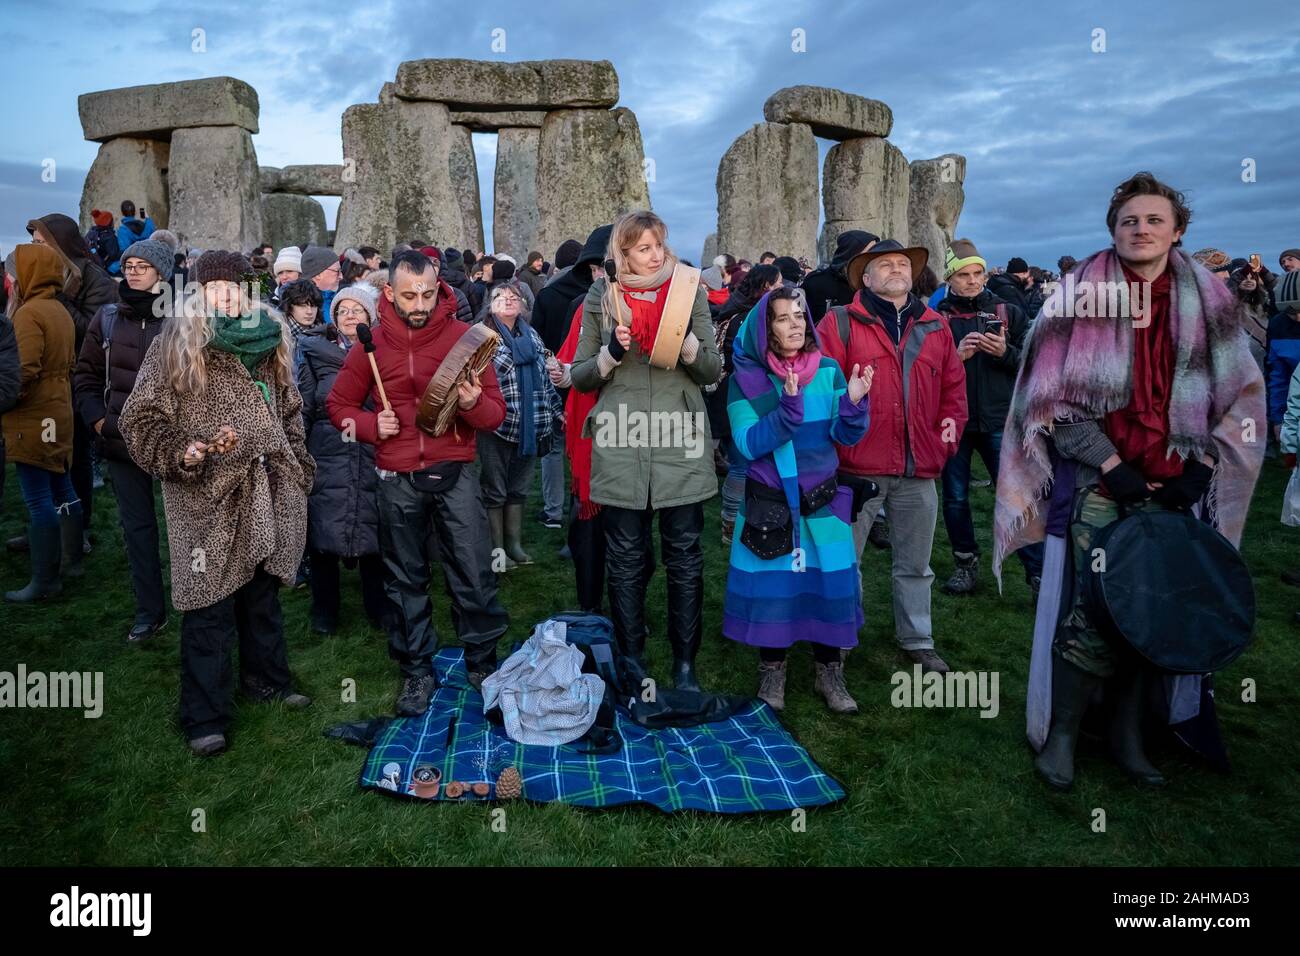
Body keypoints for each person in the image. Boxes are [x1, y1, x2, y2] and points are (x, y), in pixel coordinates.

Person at [996, 171, 1265, 791]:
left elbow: (1239, 392)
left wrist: (1199, 467)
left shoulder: (1210, 300)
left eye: (1153, 220)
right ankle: (1064, 733)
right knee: (1095, 605)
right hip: (1099, 480)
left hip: (1177, 478)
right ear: (1112, 230)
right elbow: (1050, 400)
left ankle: (1129, 734)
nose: (1140, 230)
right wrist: (1112, 468)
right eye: (1128, 221)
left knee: (1155, 606)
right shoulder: (1074, 296)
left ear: (1177, 231)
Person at [118, 250, 314, 757]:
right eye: (214, 287)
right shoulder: (174, 348)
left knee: (262, 594)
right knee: (207, 604)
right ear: (198, 291)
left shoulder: (270, 340)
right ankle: (205, 715)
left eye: (233, 286)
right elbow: (138, 420)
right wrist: (182, 451)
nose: (224, 295)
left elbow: (291, 410)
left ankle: (267, 680)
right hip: (205, 496)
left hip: (268, 487)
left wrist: (297, 463)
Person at [327, 249, 510, 714]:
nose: (421, 303)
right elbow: (337, 408)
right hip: (397, 475)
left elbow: (495, 416)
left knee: (473, 570)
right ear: (389, 292)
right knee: (405, 578)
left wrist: (470, 404)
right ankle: (416, 671)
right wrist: (370, 427)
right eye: (410, 295)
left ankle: (483, 662)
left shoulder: (464, 339)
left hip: (455, 470)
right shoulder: (369, 346)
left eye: (428, 293)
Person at [569, 210, 721, 692]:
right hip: (620, 435)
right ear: (623, 252)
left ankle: (684, 665)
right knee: (627, 555)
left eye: (659, 244)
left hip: (679, 436)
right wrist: (611, 353)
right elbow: (578, 375)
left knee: (684, 554)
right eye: (642, 247)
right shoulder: (602, 294)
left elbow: (713, 371)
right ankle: (632, 659)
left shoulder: (688, 289)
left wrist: (691, 346)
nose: (654, 254)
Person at [816, 239, 968, 675]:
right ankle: (842, 636)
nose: (897, 269)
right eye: (885, 264)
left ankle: (917, 639)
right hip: (856, 467)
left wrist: (945, 442)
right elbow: (825, 386)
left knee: (916, 564)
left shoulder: (935, 325)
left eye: (903, 263)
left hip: (919, 466)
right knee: (847, 560)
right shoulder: (840, 323)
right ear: (865, 278)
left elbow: (953, 393)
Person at [724, 288, 872, 712]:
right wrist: (788, 408)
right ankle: (773, 672)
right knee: (776, 592)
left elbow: (845, 437)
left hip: (823, 504)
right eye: (783, 318)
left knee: (828, 587)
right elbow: (749, 444)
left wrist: (855, 404)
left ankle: (830, 674)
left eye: (799, 316)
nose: (795, 325)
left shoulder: (828, 371)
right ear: (764, 328)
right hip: (771, 507)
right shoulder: (745, 380)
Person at [73, 239, 176, 640]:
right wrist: (99, 422)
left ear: (161, 274)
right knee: (138, 528)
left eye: (142, 265)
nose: (132, 270)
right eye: (128, 264)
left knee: (185, 527)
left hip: (172, 442)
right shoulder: (108, 318)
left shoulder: (183, 321)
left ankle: (200, 601)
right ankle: (149, 612)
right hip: (120, 439)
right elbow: (85, 376)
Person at [933, 239, 1042, 596]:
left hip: (1000, 419)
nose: (973, 280)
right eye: (963, 274)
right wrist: (954, 358)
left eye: (978, 272)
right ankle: (966, 562)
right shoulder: (936, 319)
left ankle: (1037, 571)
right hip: (955, 421)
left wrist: (1006, 353)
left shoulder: (1009, 310)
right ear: (950, 277)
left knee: (1016, 497)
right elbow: (923, 372)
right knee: (955, 496)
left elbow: (1038, 364)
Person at [23, 214, 119, 555]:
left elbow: (93, 332)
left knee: (74, 457)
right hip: (44, 379)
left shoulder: (95, 279)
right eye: (34, 244)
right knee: (41, 453)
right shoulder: (40, 276)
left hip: (79, 379)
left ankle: (78, 530)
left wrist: (57, 300)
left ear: (59, 243)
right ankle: (44, 522)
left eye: (42, 243)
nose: (36, 249)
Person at [297, 283, 386, 634]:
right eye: (343, 310)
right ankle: (325, 608)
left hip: (369, 443)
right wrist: (298, 446)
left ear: (370, 317)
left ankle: (378, 605)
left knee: (371, 526)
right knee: (323, 529)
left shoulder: (380, 350)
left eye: (357, 310)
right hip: (327, 448)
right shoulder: (315, 352)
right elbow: (303, 402)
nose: (350, 316)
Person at [3, 245, 81, 602]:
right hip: (60, 407)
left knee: (38, 499)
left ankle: (45, 581)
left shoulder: (28, 314)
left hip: (35, 414)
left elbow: (23, 372)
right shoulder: (60, 309)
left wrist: (7, 399)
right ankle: (72, 561)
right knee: (62, 487)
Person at [478, 281, 564, 569]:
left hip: (530, 422)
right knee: (494, 487)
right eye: (499, 296)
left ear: (524, 304)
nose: (508, 299)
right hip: (496, 424)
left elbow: (543, 378)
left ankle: (514, 544)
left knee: (519, 487)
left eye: (513, 296)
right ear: (489, 305)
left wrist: (556, 411)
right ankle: (496, 550)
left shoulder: (533, 336)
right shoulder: (482, 337)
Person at [708, 263, 782, 540]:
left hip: (726, 394)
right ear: (764, 288)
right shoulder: (751, 319)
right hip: (740, 395)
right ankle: (730, 522)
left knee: (739, 461)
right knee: (742, 463)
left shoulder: (735, 312)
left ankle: (733, 519)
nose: (782, 290)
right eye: (777, 285)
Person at [801, 230, 878, 323]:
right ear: (852, 254)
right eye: (869, 253)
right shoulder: (815, 283)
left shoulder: (875, 285)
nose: (874, 257)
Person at [301, 245, 341, 321]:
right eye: (337, 271)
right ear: (318, 274)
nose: (341, 276)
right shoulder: (300, 305)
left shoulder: (337, 299)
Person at [86, 209, 121, 275]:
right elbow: (114, 255)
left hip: (95, 265)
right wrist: (126, 250)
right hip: (107, 267)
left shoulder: (92, 232)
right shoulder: (109, 237)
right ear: (109, 223)